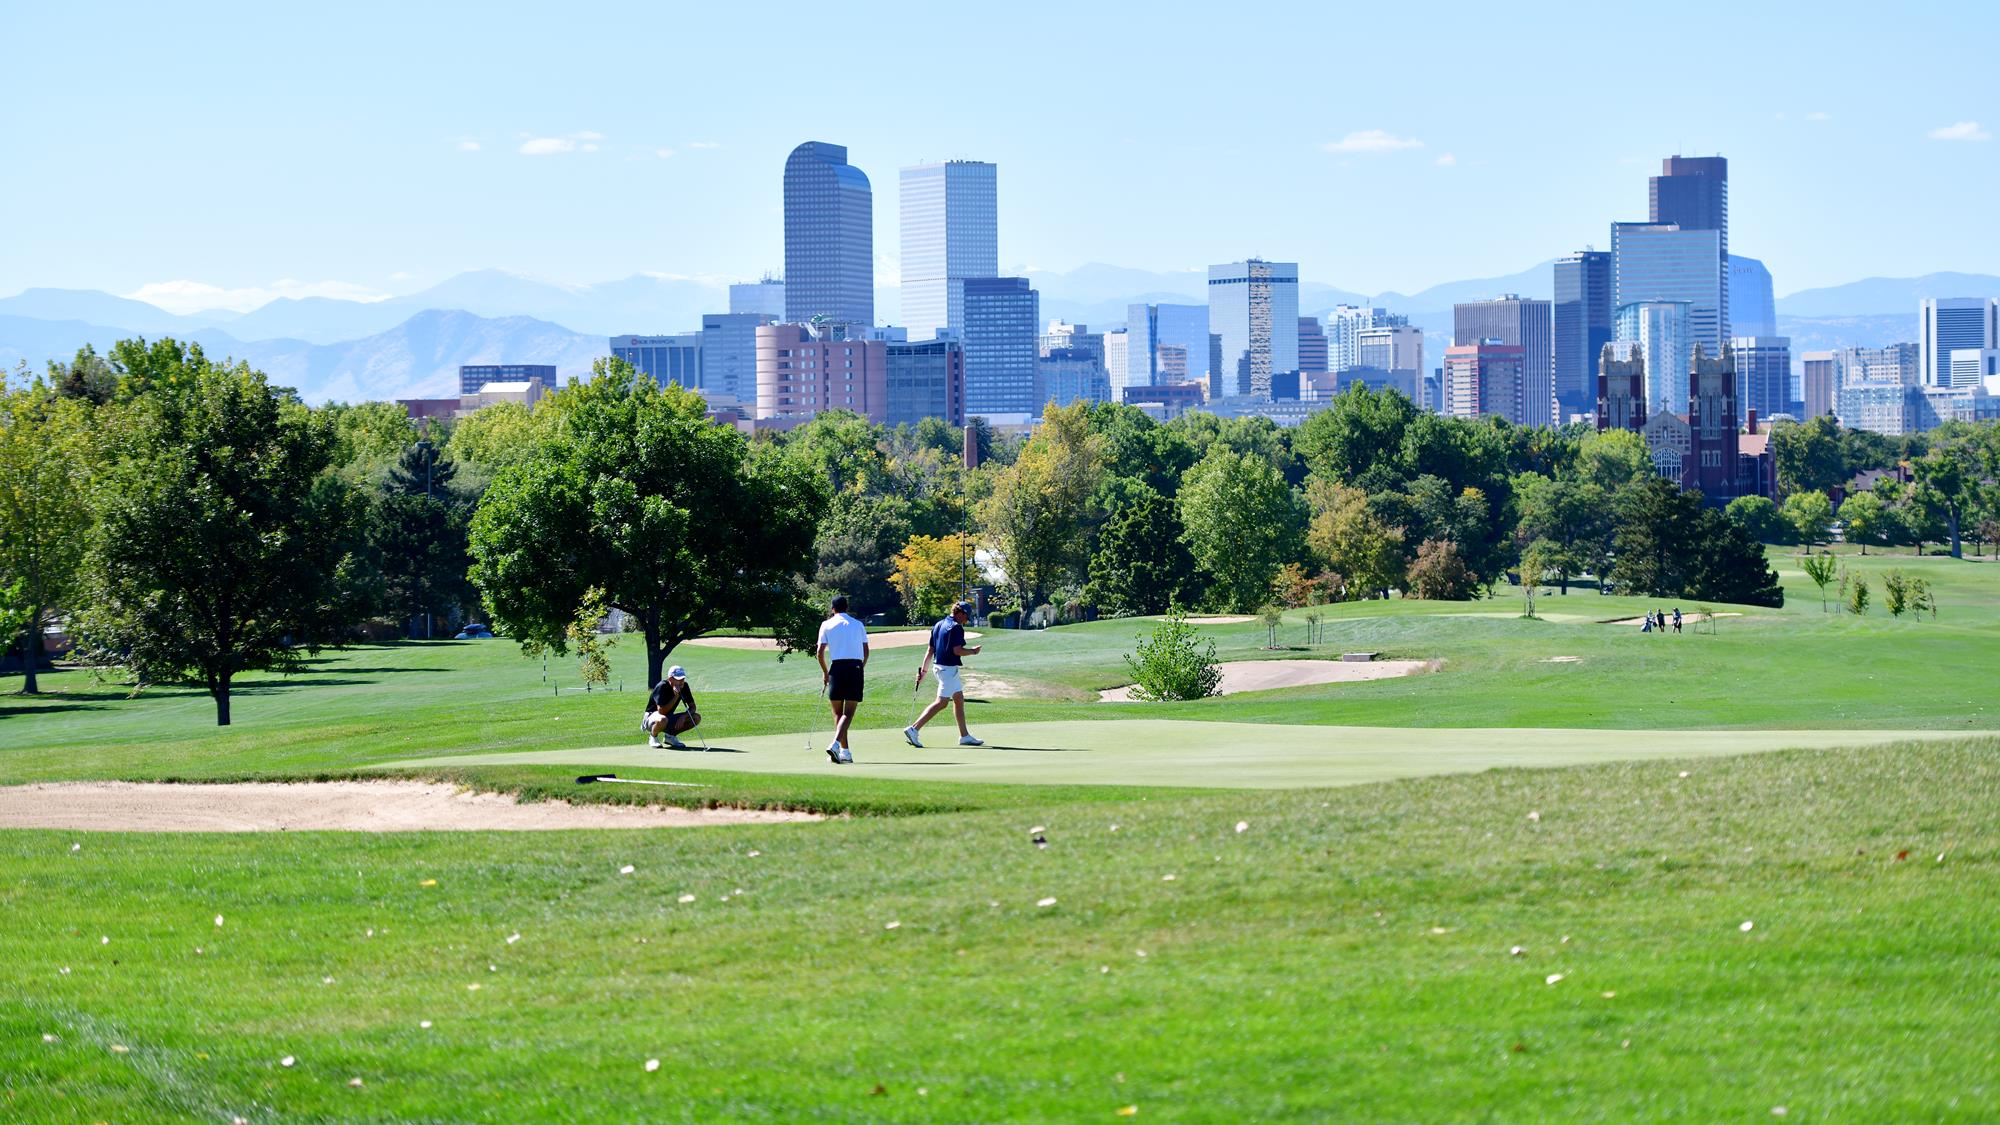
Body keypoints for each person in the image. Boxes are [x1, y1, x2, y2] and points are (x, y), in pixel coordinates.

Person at [904, 601, 984, 748]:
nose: (966, 620)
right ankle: (914, 729)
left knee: (958, 698)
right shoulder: (956, 627)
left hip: (939, 668)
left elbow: (930, 651)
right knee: (942, 702)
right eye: (966, 617)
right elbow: (957, 651)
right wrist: (973, 651)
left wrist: (924, 671)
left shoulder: (938, 625)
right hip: (948, 670)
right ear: (960, 613)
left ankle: (964, 736)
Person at [814, 595, 868, 764]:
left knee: (837, 713)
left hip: (836, 669)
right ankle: (837, 744)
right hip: (855, 667)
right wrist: (860, 668)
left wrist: (825, 672)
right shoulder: (858, 624)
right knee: (848, 713)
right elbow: (866, 651)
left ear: (833, 609)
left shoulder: (826, 624)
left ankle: (845, 752)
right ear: (847, 607)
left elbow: (819, 653)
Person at [642, 666, 700, 749]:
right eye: (678, 679)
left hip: (667, 717)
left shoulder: (684, 686)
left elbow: (692, 707)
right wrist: (676, 696)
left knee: (695, 718)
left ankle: (670, 737)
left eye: (683, 678)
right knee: (663, 719)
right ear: (670, 679)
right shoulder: (662, 686)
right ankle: (653, 737)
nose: (681, 681)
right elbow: (661, 711)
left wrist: (684, 716)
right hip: (651, 718)